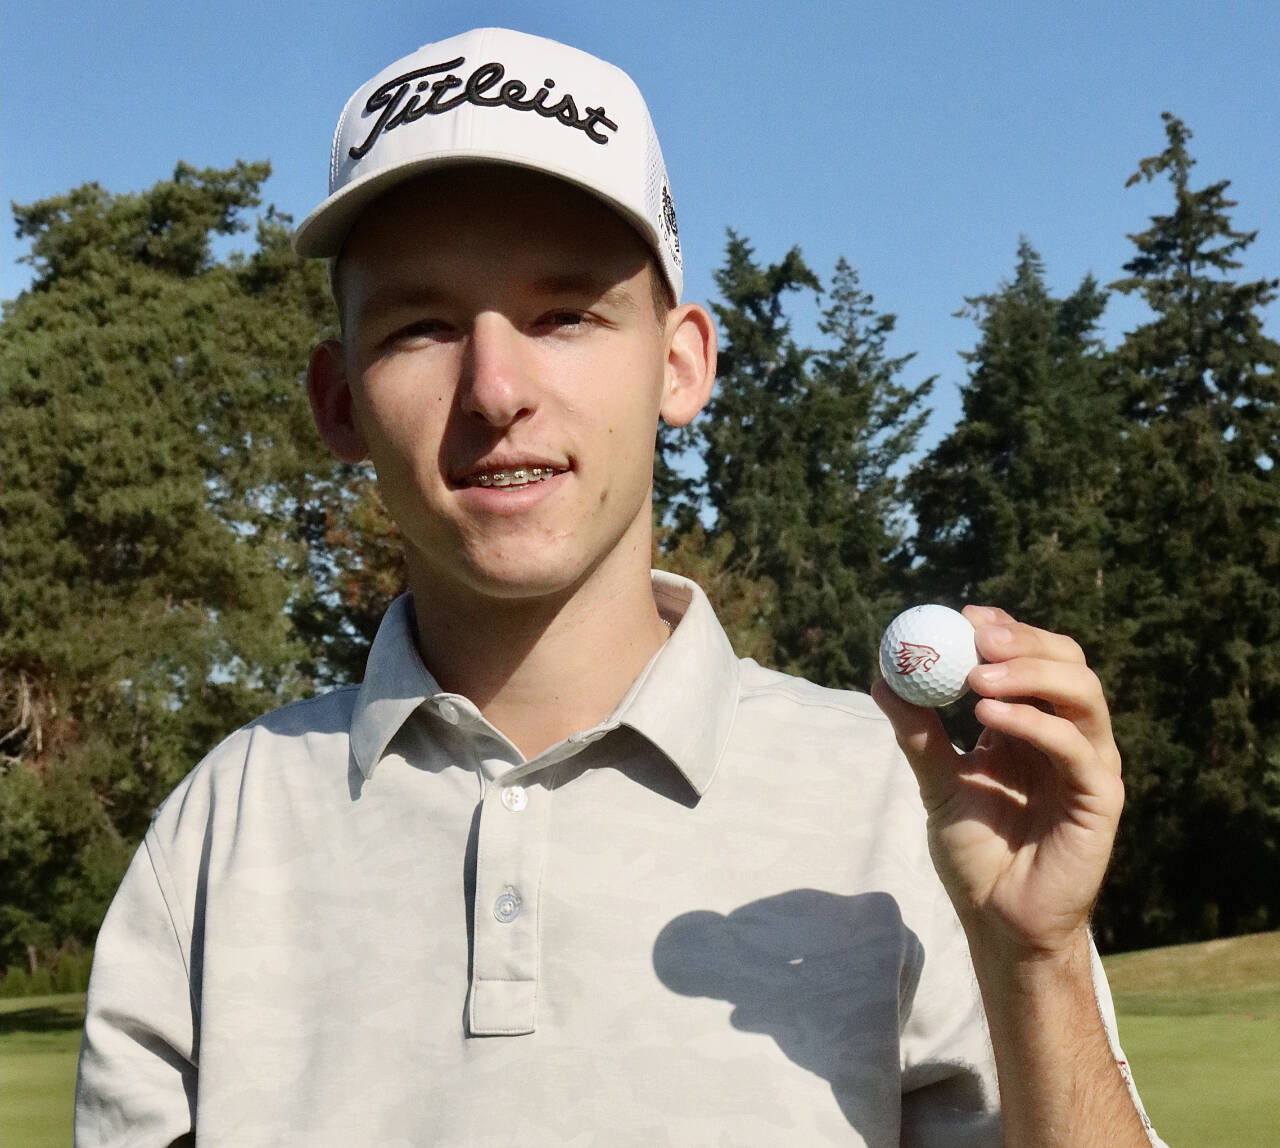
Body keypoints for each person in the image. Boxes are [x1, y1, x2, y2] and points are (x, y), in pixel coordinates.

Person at [76, 27, 1164, 1146]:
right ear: (340, 398)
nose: (494, 387)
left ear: (680, 362)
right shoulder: (219, 832)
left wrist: (1034, 963)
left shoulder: (905, 801)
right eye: (422, 325)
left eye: (563, 315)